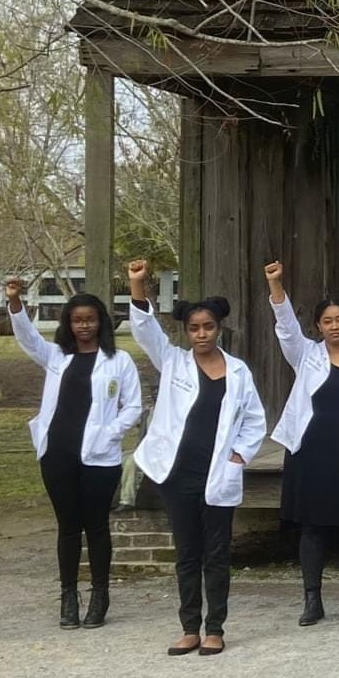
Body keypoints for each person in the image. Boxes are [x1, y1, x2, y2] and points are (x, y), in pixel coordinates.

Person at [126, 259, 265, 657]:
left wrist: (239, 457)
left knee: (217, 554)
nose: (201, 334)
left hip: (218, 474)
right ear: (185, 332)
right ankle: (189, 627)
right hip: (177, 474)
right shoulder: (172, 362)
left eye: (208, 327)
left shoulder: (238, 372)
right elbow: (145, 330)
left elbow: (255, 420)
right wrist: (138, 286)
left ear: (219, 330)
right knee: (187, 552)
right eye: (194, 328)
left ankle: (215, 627)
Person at [6, 278, 143, 628]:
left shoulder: (119, 360)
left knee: (96, 526)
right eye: (77, 320)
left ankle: (99, 595)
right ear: (68, 323)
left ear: (101, 322)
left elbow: (133, 406)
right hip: (58, 454)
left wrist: (109, 434)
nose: (84, 325)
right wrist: (16, 302)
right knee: (67, 527)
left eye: (91, 319)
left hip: (100, 457)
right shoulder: (56, 356)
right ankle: (69, 595)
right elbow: (26, 338)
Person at [264, 261, 339, 627]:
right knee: (312, 527)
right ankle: (312, 600)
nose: (335, 326)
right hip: (311, 452)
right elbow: (286, 329)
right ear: (318, 326)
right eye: (328, 321)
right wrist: (276, 285)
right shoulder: (306, 356)